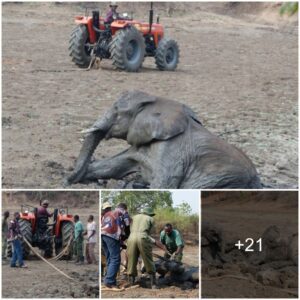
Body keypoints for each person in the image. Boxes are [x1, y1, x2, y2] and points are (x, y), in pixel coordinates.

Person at [127, 207, 157, 289]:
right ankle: (153, 283)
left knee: (131, 259)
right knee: (148, 259)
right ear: (149, 213)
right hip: (143, 237)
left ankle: (131, 282)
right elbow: (148, 232)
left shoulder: (134, 217)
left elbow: (128, 228)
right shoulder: (150, 219)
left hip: (131, 237)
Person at [101, 202, 126, 289]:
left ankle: (109, 280)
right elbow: (122, 227)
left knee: (109, 258)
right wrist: (122, 242)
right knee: (115, 259)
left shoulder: (105, 215)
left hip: (103, 236)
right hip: (111, 236)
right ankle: (110, 281)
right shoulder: (120, 213)